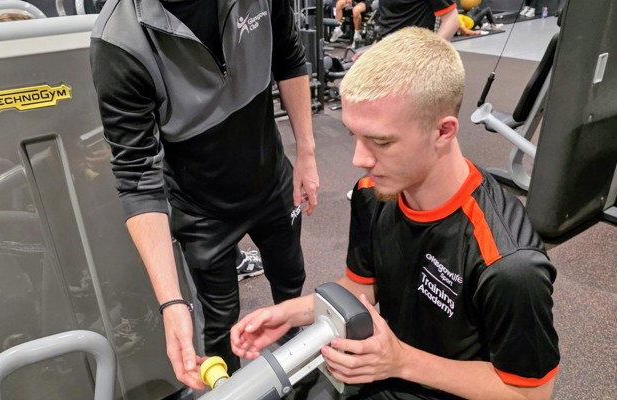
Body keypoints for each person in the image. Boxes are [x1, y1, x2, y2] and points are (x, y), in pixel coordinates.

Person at [232, 27, 560, 399]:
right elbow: (362, 285)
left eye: (381, 141)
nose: (359, 159)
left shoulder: (510, 266)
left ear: (443, 131)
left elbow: (531, 394)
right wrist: (289, 313)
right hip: (384, 371)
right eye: (354, 135)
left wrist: (401, 361)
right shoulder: (372, 194)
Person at [89, 0, 319, 390]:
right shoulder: (119, 41)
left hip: (270, 179)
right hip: (201, 208)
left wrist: (307, 154)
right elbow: (136, 177)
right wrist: (171, 303)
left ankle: (300, 362)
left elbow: (289, 57)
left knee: (290, 277)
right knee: (220, 323)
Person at [375, 0, 460, 41]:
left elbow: (452, 19)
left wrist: (432, 52)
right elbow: (387, 24)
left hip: (414, 53)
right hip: (385, 50)